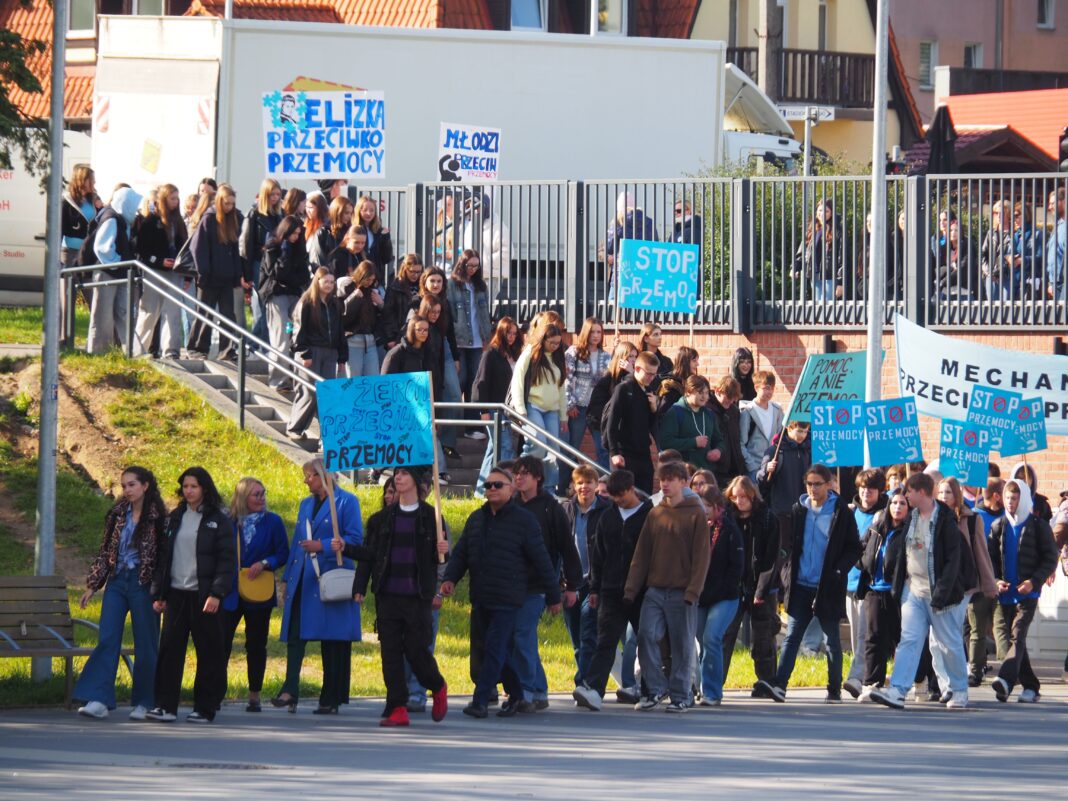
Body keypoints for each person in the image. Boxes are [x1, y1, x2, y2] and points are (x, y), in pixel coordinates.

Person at [441, 467, 562, 719]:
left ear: (511, 489)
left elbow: (541, 559)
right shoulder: (476, 518)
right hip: (481, 596)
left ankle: (480, 700)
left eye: (498, 485)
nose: (492, 490)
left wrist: (553, 596)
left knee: (495, 648)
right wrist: (450, 578)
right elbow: (463, 552)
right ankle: (517, 695)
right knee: (496, 650)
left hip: (508, 598)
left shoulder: (524, 521)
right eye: (488, 486)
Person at [348, 466, 449, 727]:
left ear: (416, 481)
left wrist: (443, 551)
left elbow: (441, 559)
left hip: (417, 597)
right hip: (388, 596)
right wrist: (345, 548)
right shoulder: (382, 519)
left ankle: (436, 685)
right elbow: (371, 554)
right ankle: (397, 707)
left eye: (404, 474)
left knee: (416, 652)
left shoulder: (432, 517)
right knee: (390, 653)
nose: (398, 478)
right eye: (396, 474)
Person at [754, 464, 860, 704]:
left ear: (829, 484)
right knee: (792, 636)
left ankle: (834, 689)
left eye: (818, 484)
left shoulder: (841, 511)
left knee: (832, 640)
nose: (813, 488)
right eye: (809, 484)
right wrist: (786, 571)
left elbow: (854, 547)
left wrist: (838, 570)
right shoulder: (798, 509)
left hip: (827, 585)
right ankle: (780, 684)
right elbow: (788, 545)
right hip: (800, 583)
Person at [870, 473, 969, 710]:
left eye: (909, 492)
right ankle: (897, 690)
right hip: (913, 591)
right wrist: (898, 585)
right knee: (909, 640)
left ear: (922, 492)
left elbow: (953, 561)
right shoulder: (912, 517)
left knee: (949, 643)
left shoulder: (945, 520)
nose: (905, 496)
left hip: (939, 596)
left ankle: (959, 690)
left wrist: (941, 594)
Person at [74, 467, 166, 720]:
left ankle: (145, 702)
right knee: (108, 638)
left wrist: (161, 593)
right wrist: (93, 585)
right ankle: (99, 699)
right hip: (116, 582)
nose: (126, 490)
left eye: (132, 484)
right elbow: (106, 551)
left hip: (143, 584)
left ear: (145, 486)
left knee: (146, 644)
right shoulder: (117, 514)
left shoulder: (158, 518)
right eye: (124, 485)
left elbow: (163, 560)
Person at [146, 467, 235, 723]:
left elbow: (227, 561)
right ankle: (165, 706)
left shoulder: (219, 520)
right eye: (185, 486)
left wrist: (217, 593)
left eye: (193, 486)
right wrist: (159, 593)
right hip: (176, 594)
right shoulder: (175, 517)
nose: (189, 491)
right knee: (170, 651)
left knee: (209, 653)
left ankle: (205, 707)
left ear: (204, 488)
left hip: (204, 596)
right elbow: (164, 559)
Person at [275, 459, 363, 714]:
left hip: (331, 577)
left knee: (333, 639)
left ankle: (331, 696)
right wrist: (287, 578)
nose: (306, 481)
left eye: (309, 476)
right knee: (294, 633)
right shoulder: (305, 504)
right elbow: (297, 543)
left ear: (322, 476)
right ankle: (290, 688)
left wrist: (323, 545)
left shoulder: (346, 502)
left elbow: (355, 539)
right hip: (304, 577)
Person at [624, 461, 711, 712]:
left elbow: (702, 556)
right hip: (655, 589)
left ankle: (682, 694)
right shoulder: (655, 513)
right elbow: (642, 554)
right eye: (663, 479)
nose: (665, 484)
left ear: (684, 483)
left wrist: (693, 590)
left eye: (671, 479)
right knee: (646, 636)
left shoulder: (696, 512)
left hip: (683, 591)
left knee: (682, 644)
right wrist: (632, 588)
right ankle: (655, 688)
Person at [572, 469, 654, 711]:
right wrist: (595, 588)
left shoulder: (650, 515)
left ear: (631, 489)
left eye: (620, 496)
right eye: (612, 496)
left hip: (642, 591)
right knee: (605, 641)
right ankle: (594, 690)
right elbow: (598, 556)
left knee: (646, 641)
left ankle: (650, 690)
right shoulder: (608, 516)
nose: (616, 500)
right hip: (610, 590)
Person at [511, 456, 583, 709]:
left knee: (522, 634)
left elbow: (567, 547)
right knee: (519, 636)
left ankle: (528, 690)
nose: (519, 478)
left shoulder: (551, 508)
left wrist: (571, 586)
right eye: (516, 474)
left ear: (538, 477)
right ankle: (540, 689)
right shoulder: (510, 505)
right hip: (511, 583)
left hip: (540, 584)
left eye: (525, 474)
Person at [221, 477, 289, 713]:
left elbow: (282, 553)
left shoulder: (273, 522)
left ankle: (254, 694)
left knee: (256, 644)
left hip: (258, 589)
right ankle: (217, 691)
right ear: (242, 498)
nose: (261, 499)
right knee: (221, 642)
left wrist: (265, 562)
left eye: (263, 493)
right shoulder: (228, 522)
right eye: (256, 494)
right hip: (230, 590)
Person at [988, 478, 1057, 703]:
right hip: (1006, 594)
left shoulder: (1038, 526)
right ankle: (1031, 686)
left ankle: (1005, 681)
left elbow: (1049, 558)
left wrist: (1034, 581)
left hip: (1028, 593)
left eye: (1015, 498)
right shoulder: (998, 526)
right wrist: (996, 580)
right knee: (1014, 640)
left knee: (1017, 635)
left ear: (1024, 498)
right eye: (1007, 498)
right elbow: (991, 560)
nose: (1010, 502)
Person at [720, 476, 780, 693]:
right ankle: (714, 683)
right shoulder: (726, 519)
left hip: (762, 586)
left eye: (744, 496)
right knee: (725, 636)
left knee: (763, 638)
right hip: (734, 587)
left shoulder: (767, 518)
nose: (739, 501)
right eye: (735, 497)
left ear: (753, 495)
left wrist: (761, 589)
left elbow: (771, 559)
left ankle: (766, 683)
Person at [937, 477, 997, 691]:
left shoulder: (971, 519)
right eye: (941, 492)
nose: (944, 497)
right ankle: (946, 684)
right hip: (939, 584)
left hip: (963, 585)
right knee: (939, 637)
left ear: (957, 495)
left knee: (952, 631)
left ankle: (958, 682)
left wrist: (989, 584)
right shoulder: (931, 516)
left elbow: (980, 552)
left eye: (948, 493)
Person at [560, 464, 611, 686]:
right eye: (580, 483)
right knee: (576, 637)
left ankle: (585, 681)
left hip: (593, 582)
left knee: (588, 632)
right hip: (570, 582)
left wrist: (599, 584)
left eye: (589, 482)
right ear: (574, 485)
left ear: (596, 485)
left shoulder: (606, 510)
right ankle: (585, 677)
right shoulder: (565, 510)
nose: (584, 487)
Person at [839, 469, 889, 699]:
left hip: (870, 584)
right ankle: (865, 674)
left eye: (871, 488)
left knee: (864, 635)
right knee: (856, 634)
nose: (866, 492)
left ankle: (856, 678)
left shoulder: (884, 515)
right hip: (849, 581)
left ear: (880, 492)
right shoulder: (850, 513)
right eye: (862, 487)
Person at [694, 486, 744, 706]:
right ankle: (699, 685)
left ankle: (713, 692)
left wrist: (718, 589)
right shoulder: (697, 529)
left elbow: (736, 568)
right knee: (699, 641)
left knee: (711, 637)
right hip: (700, 595)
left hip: (725, 596)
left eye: (706, 506)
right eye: (700, 506)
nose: (703, 510)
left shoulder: (730, 530)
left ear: (717, 507)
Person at [858, 488, 910, 697]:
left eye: (902, 504)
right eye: (894, 503)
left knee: (902, 637)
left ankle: (914, 681)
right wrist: (863, 563)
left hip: (899, 592)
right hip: (874, 589)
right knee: (874, 638)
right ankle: (872, 683)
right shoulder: (877, 528)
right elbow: (860, 548)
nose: (897, 507)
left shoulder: (910, 530)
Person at [285, 267, 347, 441]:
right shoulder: (306, 302)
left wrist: (342, 357)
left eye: (332, 282)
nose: (329, 285)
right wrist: (304, 353)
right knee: (308, 391)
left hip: (330, 352)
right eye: (325, 281)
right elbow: (298, 330)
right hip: (310, 351)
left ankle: (327, 435)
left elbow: (339, 331)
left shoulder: (335, 304)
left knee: (327, 394)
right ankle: (295, 427)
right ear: (317, 281)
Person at [508, 323, 568, 494]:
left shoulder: (558, 356)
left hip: (552, 409)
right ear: (543, 339)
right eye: (552, 343)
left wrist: (563, 415)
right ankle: (521, 479)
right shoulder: (530, 353)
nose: (555, 347)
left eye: (558, 343)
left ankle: (549, 488)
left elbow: (561, 387)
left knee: (553, 450)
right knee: (537, 442)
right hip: (532, 406)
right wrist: (520, 409)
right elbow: (517, 381)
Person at [186, 184, 243, 361]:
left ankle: (227, 349)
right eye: (227, 203)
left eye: (232, 203)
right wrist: (203, 272)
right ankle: (197, 348)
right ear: (219, 202)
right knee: (205, 313)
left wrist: (236, 275)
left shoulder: (233, 220)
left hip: (226, 277)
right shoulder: (209, 219)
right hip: (209, 277)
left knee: (228, 314)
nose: (230, 207)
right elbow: (198, 247)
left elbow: (235, 250)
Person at [133, 183, 188, 359]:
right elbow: (142, 250)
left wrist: (185, 273)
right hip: (155, 272)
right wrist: (159, 261)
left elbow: (185, 247)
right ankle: (139, 349)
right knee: (149, 311)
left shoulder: (179, 222)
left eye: (177, 198)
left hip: (174, 273)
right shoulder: (150, 221)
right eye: (172, 198)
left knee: (172, 313)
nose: (176, 202)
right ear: (164, 199)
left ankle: (171, 351)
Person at [87, 185, 142, 354]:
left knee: (124, 312)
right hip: (107, 272)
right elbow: (102, 247)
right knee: (102, 315)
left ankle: (132, 350)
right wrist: (116, 262)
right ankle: (98, 352)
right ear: (125, 203)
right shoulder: (111, 218)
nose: (135, 209)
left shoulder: (121, 219)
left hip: (118, 272)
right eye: (133, 205)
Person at [472, 317, 523, 496]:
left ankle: (480, 491)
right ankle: (505, 486)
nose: (512, 337)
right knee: (505, 446)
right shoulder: (491, 354)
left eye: (515, 333)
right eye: (508, 333)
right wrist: (484, 410)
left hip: (508, 409)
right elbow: (481, 382)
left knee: (493, 448)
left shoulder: (515, 354)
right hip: (493, 408)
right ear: (501, 332)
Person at [258, 215, 310, 390]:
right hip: (277, 295)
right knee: (280, 339)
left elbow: (303, 276)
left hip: (294, 296)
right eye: (292, 234)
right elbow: (278, 273)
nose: (295, 237)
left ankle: (293, 378)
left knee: (294, 336)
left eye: (298, 234)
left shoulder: (300, 250)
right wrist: (285, 252)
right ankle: (277, 380)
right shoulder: (273, 248)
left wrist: (291, 278)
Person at [447, 250, 493, 437]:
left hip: (477, 340)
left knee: (475, 384)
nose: (473, 269)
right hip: (459, 340)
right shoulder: (452, 284)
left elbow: (484, 314)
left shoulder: (481, 286)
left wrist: (486, 337)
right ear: (462, 264)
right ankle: (455, 425)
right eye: (470, 265)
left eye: (476, 266)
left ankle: (473, 427)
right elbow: (450, 313)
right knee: (460, 380)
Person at [563, 316, 611, 488]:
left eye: (599, 332)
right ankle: (565, 486)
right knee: (571, 449)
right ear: (586, 333)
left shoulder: (606, 356)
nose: (596, 335)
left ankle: (606, 488)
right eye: (592, 332)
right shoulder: (573, 353)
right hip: (578, 408)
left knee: (603, 448)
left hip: (598, 410)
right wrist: (569, 403)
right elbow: (566, 380)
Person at [604, 351, 660, 494]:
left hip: (643, 452)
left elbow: (651, 426)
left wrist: (654, 409)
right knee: (624, 495)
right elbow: (612, 422)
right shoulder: (623, 389)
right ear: (636, 368)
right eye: (648, 373)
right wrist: (614, 452)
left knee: (645, 495)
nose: (651, 378)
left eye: (654, 374)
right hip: (624, 452)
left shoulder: (649, 391)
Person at [238, 178, 283, 340]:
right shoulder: (254, 214)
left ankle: (260, 342)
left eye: (278, 194)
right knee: (262, 305)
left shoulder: (279, 215)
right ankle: (258, 343)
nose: (276, 197)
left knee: (269, 305)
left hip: (275, 264)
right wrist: (247, 273)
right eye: (272, 194)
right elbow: (246, 244)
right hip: (259, 263)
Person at [969, 478, 1004, 683]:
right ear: (997, 495)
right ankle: (975, 669)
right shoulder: (976, 516)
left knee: (1003, 629)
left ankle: (1009, 671)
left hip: (1003, 581)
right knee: (977, 629)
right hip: (979, 581)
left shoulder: (1007, 516)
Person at [586, 341, 637, 470]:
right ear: (621, 357)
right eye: (630, 356)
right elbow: (597, 404)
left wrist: (632, 374)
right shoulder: (608, 378)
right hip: (600, 423)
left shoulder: (633, 378)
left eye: (635, 356)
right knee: (605, 454)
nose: (633, 360)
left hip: (620, 427)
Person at [656, 375, 723, 472]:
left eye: (706, 393)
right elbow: (665, 442)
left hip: (706, 472)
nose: (704, 397)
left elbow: (719, 440)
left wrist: (718, 450)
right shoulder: (675, 412)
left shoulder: (709, 414)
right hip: (683, 473)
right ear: (688, 392)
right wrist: (693, 442)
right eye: (700, 393)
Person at [758, 421, 812, 541]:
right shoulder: (775, 451)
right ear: (788, 428)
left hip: (803, 508)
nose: (802, 435)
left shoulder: (808, 451)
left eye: (805, 432)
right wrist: (767, 469)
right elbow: (761, 479)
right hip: (781, 510)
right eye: (799, 431)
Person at [337, 259, 384, 378]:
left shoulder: (372, 291)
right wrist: (354, 298)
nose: (370, 282)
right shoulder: (347, 286)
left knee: (372, 378)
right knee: (353, 378)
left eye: (372, 280)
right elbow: (341, 315)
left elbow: (381, 316)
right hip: (352, 339)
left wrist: (381, 304)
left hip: (370, 340)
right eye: (368, 279)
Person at [61, 163, 96, 318]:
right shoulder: (66, 202)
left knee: (92, 295)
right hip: (70, 253)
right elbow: (60, 229)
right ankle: (63, 338)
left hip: (88, 254)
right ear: (82, 180)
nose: (94, 183)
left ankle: (96, 338)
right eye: (91, 180)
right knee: (68, 297)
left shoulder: (93, 200)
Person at [739, 371, 784, 481]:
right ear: (756, 387)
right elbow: (741, 443)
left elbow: (781, 438)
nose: (770, 392)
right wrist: (752, 467)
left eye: (772, 388)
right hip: (754, 468)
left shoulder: (777, 410)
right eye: (766, 388)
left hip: (773, 467)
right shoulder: (747, 411)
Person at [707, 376, 745, 491]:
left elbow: (736, 439)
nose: (731, 401)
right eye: (728, 397)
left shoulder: (734, 411)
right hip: (716, 469)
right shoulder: (707, 410)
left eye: (734, 398)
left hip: (734, 469)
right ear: (718, 391)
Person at [381, 253, 424, 355]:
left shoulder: (423, 286)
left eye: (418, 272)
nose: (415, 275)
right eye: (412, 271)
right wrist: (391, 338)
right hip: (399, 335)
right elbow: (388, 314)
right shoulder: (395, 286)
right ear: (405, 269)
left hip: (420, 334)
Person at [979, 200, 1015, 300]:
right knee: (992, 310)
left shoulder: (1015, 233)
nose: (998, 216)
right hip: (991, 278)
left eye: (1001, 213)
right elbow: (982, 254)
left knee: (1006, 309)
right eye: (996, 213)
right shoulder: (991, 233)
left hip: (1008, 277)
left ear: (1008, 214)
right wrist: (988, 271)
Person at [355, 195, 394, 282]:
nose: (369, 213)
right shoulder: (354, 229)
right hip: (359, 276)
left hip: (375, 278)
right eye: (365, 210)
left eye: (372, 210)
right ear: (358, 210)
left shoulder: (378, 230)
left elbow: (387, 258)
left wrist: (386, 238)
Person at [655, 346, 700, 413]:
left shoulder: (689, 382)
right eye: (694, 361)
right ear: (684, 362)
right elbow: (665, 412)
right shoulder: (670, 385)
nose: (697, 364)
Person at [304, 192, 333, 268]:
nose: (308, 210)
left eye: (311, 208)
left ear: (319, 208)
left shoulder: (325, 229)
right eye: (307, 207)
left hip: (320, 269)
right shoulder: (306, 225)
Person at [1046, 187, 1066, 300]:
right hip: (1056, 282)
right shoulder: (1058, 225)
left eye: (1053, 203)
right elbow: (1053, 256)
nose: (1050, 207)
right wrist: (1051, 282)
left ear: (1064, 202)